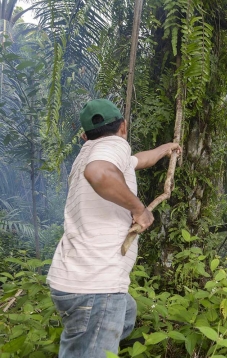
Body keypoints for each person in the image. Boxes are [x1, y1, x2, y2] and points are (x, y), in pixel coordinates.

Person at [46, 99, 181, 357]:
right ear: (123, 127)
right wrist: (139, 209)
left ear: (85, 135)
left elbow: (138, 160)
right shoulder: (112, 147)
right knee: (101, 328)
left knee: (126, 314)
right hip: (96, 287)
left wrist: (166, 148)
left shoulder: (88, 153)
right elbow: (99, 173)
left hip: (71, 282)